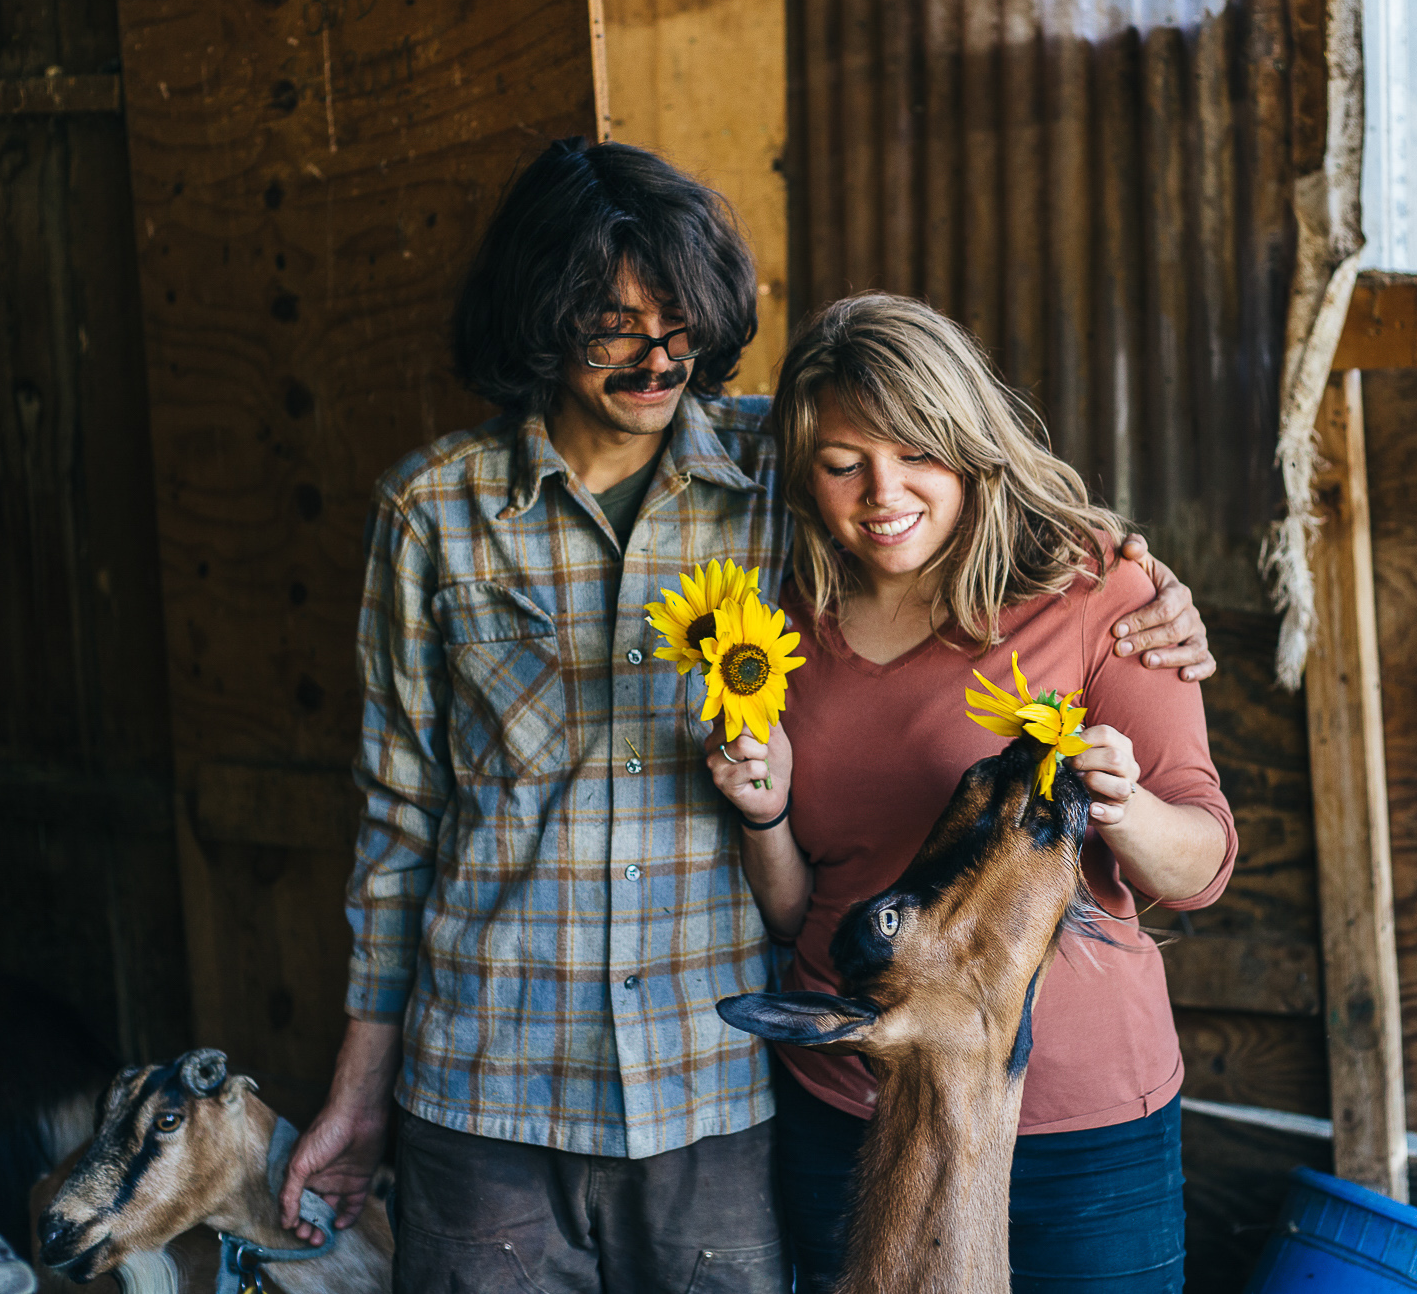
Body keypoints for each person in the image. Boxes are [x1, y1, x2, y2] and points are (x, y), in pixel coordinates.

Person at [276, 139, 1217, 1292]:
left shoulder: (782, 477)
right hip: (497, 1072)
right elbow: (397, 821)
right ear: (536, 317)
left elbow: (935, 458)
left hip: (711, 1080)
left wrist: (1147, 583)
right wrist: (357, 1087)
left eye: (679, 326)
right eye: (612, 326)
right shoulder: (436, 516)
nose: (655, 357)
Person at [706, 294, 1236, 1293]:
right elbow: (798, 905)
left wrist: (1118, 809)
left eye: (917, 453)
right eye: (841, 463)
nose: (882, 491)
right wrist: (764, 814)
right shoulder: (774, 623)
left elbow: (1200, 867)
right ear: (802, 473)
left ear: (969, 445)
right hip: (857, 1102)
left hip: (1074, 1120)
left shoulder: (1095, 589)